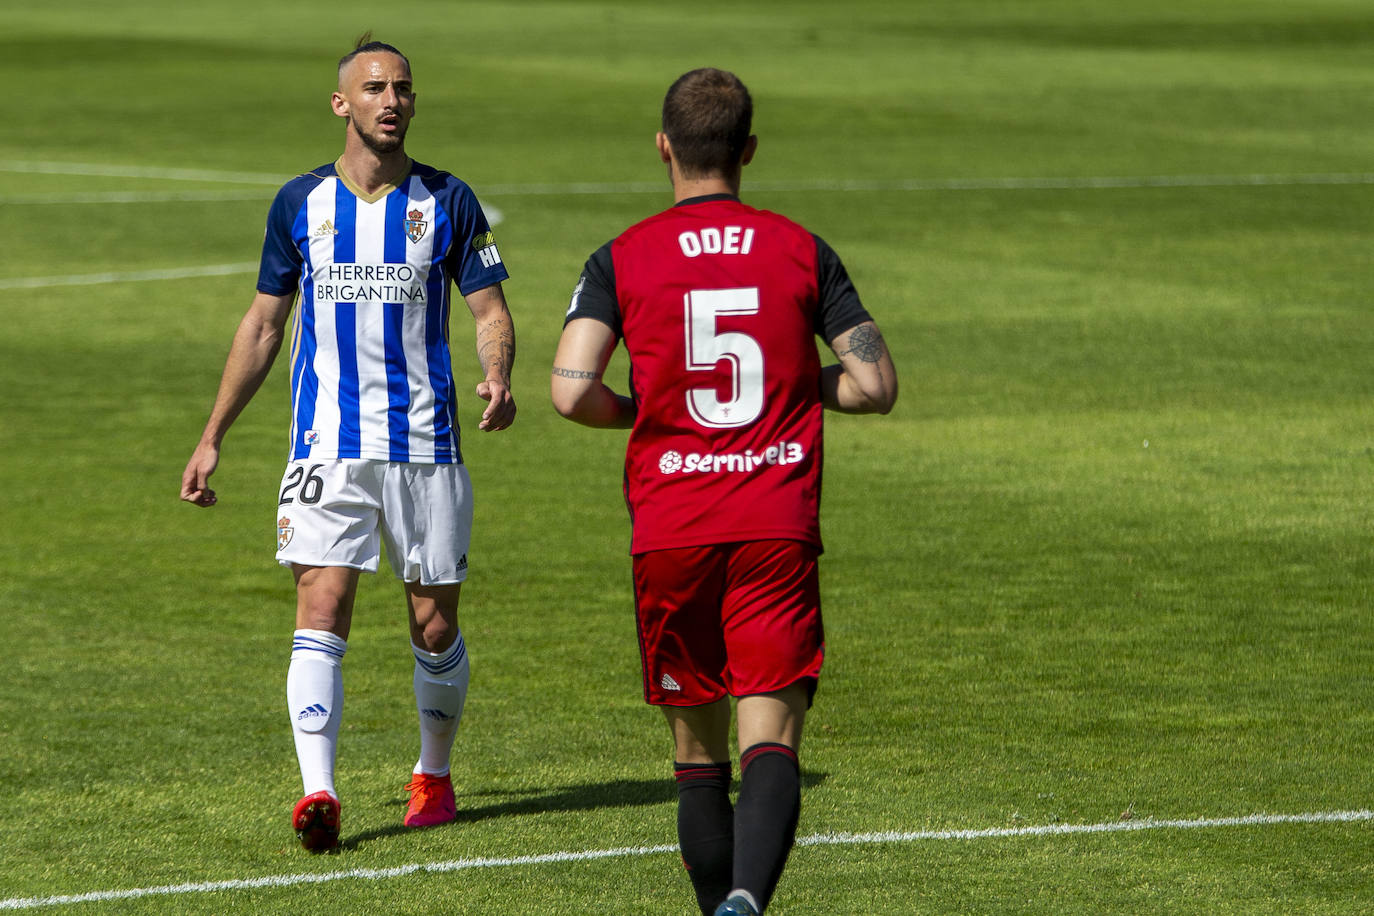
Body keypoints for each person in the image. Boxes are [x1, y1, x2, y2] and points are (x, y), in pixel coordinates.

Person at [550, 68, 897, 916]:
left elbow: (569, 388)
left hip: (671, 529)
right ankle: (747, 901)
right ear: (747, 152)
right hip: (774, 524)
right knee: (769, 740)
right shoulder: (801, 248)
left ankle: (722, 909)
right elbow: (874, 384)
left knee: (697, 756)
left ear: (663, 147)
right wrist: (792, 384)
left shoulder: (619, 257)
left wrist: (643, 407)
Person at [179, 35, 516, 853]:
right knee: (321, 607)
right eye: (374, 88)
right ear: (342, 104)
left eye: (402, 88)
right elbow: (264, 324)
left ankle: (432, 774)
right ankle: (318, 793)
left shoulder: (448, 199)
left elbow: (490, 312)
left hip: (427, 446)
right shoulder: (301, 204)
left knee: (434, 629)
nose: (391, 100)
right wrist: (212, 434)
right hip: (326, 445)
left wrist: (499, 376)